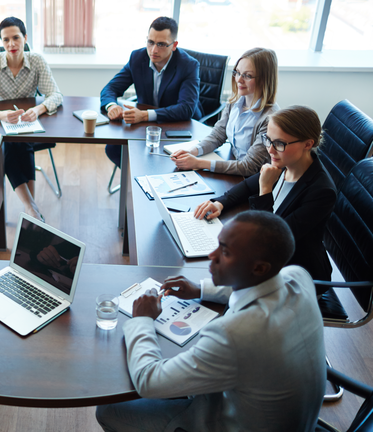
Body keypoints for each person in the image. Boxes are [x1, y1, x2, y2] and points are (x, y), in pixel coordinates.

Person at [96, 210, 326, 432]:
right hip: (291, 419)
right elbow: (258, 286)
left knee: (108, 411)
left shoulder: (234, 334)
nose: (212, 255)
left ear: (259, 267)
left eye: (225, 252)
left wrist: (143, 320)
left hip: (227, 420)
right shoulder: (298, 276)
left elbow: (148, 382)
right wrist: (200, 289)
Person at [193, 105, 337, 288]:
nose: (270, 150)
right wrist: (220, 203)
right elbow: (246, 186)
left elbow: (270, 240)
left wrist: (266, 189)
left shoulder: (321, 192)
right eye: (268, 140)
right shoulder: (287, 161)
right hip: (269, 260)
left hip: (296, 276)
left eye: (279, 143)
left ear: (307, 144)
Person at [0, 16, 63, 221]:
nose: (11, 44)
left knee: (21, 142)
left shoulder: (37, 60)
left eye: (16, 38)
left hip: (27, 122)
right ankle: (31, 208)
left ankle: (30, 209)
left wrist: (38, 110)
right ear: (1, 41)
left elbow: (56, 95)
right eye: (6, 40)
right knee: (12, 144)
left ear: (25, 38)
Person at [100, 16, 201, 168]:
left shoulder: (189, 65)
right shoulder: (137, 58)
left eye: (161, 44)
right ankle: (137, 180)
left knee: (167, 162)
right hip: (146, 127)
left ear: (174, 45)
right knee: (113, 149)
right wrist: (111, 106)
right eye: (150, 42)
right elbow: (110, 88)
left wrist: (145, 115)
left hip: (179, 127)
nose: (154, 50)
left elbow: (186, 109)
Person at [171, 47, 279, 176]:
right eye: (237, 72)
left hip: (253, 178)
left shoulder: (269, 119)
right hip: (232, 165)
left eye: (247, 76)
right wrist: (192, 151)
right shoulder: (235, 101)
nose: (239, 80)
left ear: (264, 79)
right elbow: (218, 135)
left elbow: (249, 167)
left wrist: (198, 163)